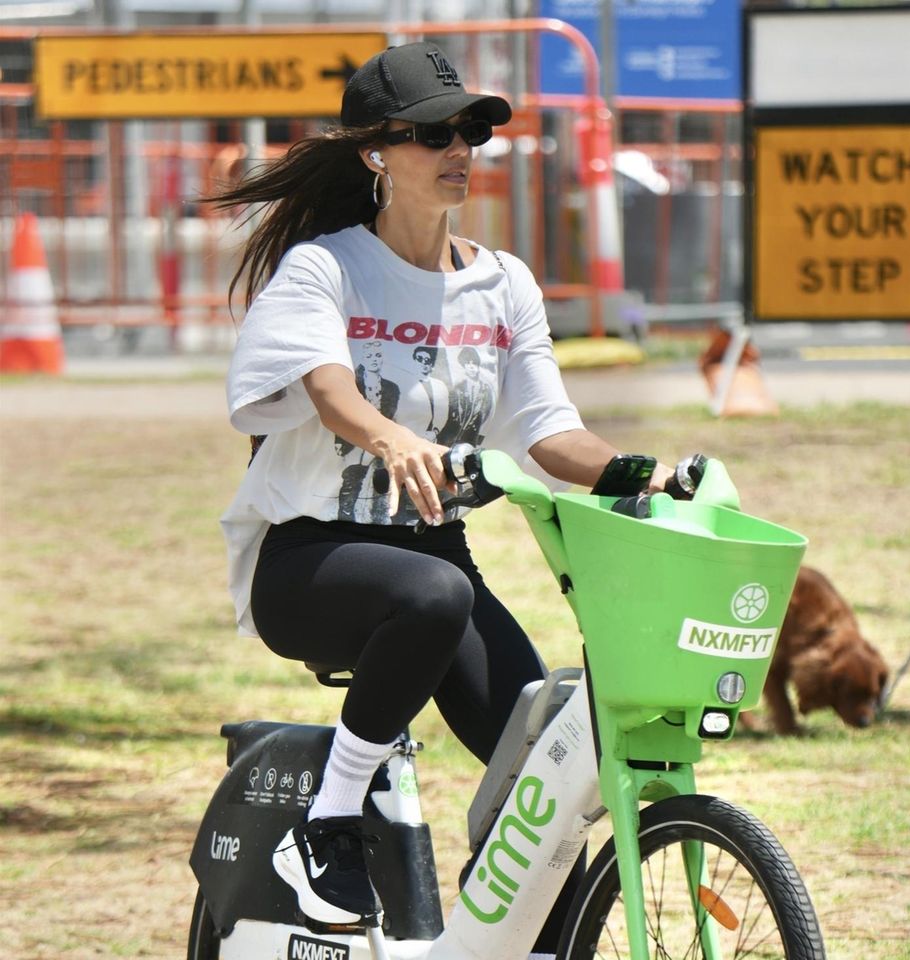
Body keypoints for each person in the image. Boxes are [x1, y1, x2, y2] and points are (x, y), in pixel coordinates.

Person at [215, 40, 673, 954]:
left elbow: (550, 433)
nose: (461, 146)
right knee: (436, 593)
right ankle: (328, 827)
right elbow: (328, 387)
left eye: (472, 128)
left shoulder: (502, 286)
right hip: (310, 560)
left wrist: (641, 473)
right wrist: (389, 436)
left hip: (436, 564)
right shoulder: (324, 269)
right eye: (435, 132)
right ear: (376, 152)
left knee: (546, 782)